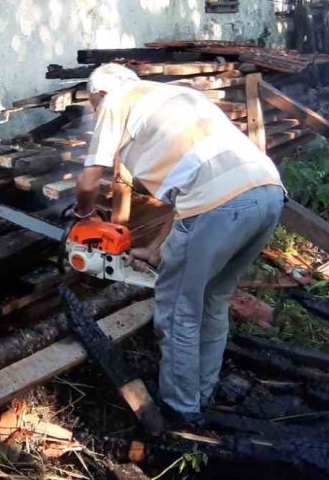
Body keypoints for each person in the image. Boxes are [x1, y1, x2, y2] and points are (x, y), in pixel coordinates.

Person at [71, 63, 284, 424]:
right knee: (214, 301)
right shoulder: (176, 96)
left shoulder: (115, 101)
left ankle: (181, 414)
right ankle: (203, 393)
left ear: (101, 93)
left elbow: (90, 178)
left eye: (92, 104)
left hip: (218, 207)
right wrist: (154, 250)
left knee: (177, 314)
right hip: (268, 193)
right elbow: (183, 198)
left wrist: (83, 214)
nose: (95, 112)